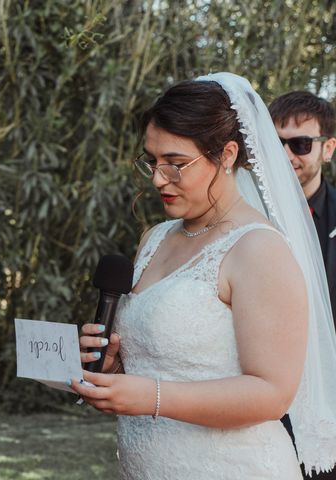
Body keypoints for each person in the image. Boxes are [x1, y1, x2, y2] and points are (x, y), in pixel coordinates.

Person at [71, 73, 336, 479]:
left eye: (176, 163)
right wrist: (112, 368)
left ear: (227, 154)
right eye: (152, 161)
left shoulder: (259, 250)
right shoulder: (154, 239)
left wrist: (150, 396)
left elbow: (271, 394)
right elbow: (162, 361)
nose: (159, 178)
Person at [269, 92, 336, 321]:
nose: (286, 156)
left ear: (327, 149)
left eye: (301, 144)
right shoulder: (245, 211)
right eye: (277, 143)